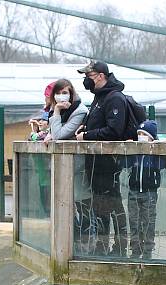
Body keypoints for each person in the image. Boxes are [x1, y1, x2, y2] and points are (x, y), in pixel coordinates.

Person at [76, 60, 130, 257]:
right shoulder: (99, 98)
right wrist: (86, 128)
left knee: (114, 204)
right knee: (100, 206)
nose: (86, 81)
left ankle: (120, 248)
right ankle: (102, 246)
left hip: (109, 163)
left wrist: (87, 136)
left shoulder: (114, 98)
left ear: (100, 76)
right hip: (95, 164)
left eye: (88, 77)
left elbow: (114, 131)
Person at [42, 79, 93, 252]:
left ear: (72, 93)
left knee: (83, 207)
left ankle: (87, 245)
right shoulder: (59, 111)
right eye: (59, 92)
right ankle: (71, 244)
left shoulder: (79, 111)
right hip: (64, 169)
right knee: (66, 208)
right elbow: (54, 133)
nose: (62, 96)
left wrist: (55, 111)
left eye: (65, 92)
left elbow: (60, 134)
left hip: (79, 168)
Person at [126, 120, 165, 260]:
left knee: (148, 221)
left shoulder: (155, 153)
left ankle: (148, 250)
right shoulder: (136, 151)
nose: (140, 136)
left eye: (144, 134)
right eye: (139, 134)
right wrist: (128, 149)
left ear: (152, 137)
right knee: (134, 221)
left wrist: (159, 150)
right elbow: (124, 164)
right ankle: (136, 249)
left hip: (150, 192)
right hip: (134, 190)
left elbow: (163, 165)